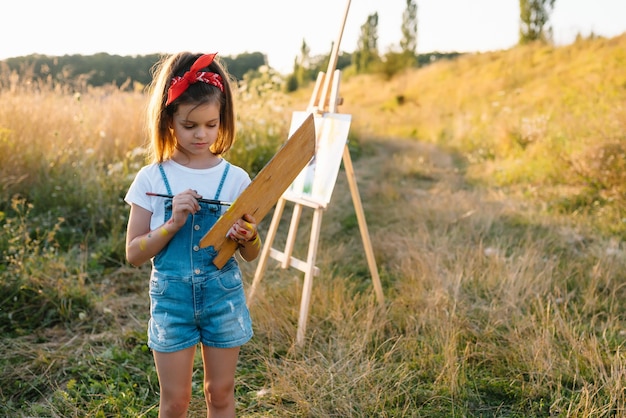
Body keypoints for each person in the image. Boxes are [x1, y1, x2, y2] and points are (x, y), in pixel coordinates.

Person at [124, 52, 261, 418]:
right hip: (173, 302)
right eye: (189, 125)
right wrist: (172, 222)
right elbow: (134, 253)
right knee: (176, 401)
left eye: (211, 124)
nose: (202, 135)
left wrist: (248, 236)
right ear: (169, 121)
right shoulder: (152, 179)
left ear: (222, 120)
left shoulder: (236, 179)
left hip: (223, 298)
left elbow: (251, 254)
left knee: (221, 394)